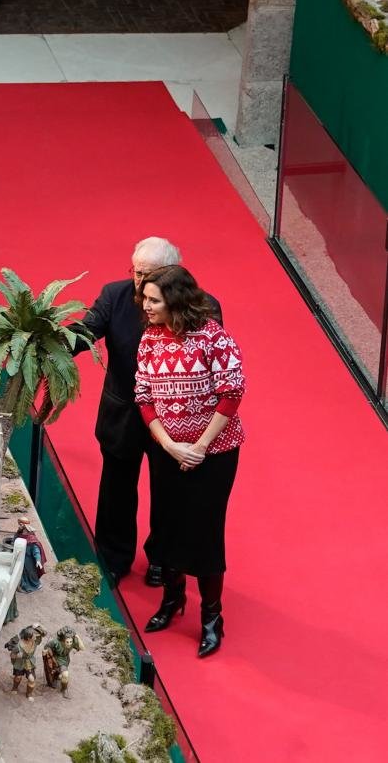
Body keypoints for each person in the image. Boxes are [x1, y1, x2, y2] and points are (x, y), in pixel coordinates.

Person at [76, 237, 221, 588]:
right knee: (116, 490)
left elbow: (210, 360)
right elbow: (84, 333)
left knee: (168, 493)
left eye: (150, 274)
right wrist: (46, 342)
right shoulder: (114, 295)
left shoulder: (204, 306)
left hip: (173, 421)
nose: (140, 282)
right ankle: (112, 559)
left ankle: (162, 559)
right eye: (137, 272)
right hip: (124, 414)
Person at [134, 265, 244, 659]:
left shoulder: (213, 337)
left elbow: (232, 393)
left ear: (176, 301)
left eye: (154, 300)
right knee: (166, 525)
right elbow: (144, 396)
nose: (145, 306)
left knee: (204, 531)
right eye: (145, 298)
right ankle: (172, 599)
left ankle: (212, 617)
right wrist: (169, 445)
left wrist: (199, 446)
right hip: (169, 451)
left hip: (214, 454)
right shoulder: (149, 339)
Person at [4, 624, 46, 701]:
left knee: (32, 679)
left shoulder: (35, 642)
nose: (36, 637)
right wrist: (17, 656)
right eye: (35, 636)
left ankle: (29, 694)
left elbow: (44, 633)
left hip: (29, 662)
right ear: (29, 637)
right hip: (19, 663)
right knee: (18, 677)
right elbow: (12, 655)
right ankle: (14, 688)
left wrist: (36, 626)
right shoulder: (18, 646)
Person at [43, 627, 85, 698]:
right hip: (54, 659)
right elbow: (46, 647)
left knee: (64, 675)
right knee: (59, 674)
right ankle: (56, 681)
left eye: (70, 642)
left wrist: (77, 636)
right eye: (67, 642)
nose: (69, 644)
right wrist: (49, 656)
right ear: (63, 640)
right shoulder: (55, 642)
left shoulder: (73, 642)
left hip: (64, 660)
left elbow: (82, 648)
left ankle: (63, 689)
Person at [13, 516, 46, 593]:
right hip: (21, 557)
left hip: (28, 560)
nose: (19, 526)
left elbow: (36, 550)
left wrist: (38, 560)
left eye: (20, 524)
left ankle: (35, 584)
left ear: (24, 526)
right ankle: (23, 585)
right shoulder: (19, 533)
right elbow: (15, 540)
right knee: (22, 572)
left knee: (31, 573)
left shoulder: (31, 538)